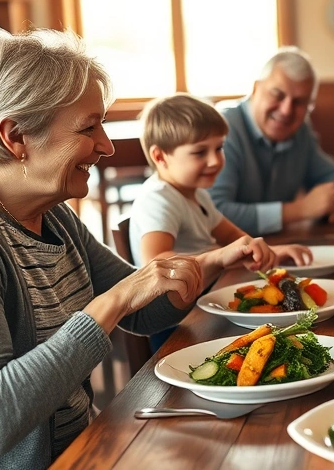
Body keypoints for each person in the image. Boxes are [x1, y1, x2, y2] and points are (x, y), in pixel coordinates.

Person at [0, 28, 276, 468]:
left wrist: (210, 263)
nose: (105, 145)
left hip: (90, 444)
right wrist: (114, 301)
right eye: (88, 127)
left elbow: (143, 311)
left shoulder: (53, 215)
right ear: (16, 136)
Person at [129, 94, 314, 350]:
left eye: (219, 147)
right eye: (199, 152)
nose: (215, 160)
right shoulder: (159, 199)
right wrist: (219, 256)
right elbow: (157, 262)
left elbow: (236, 240)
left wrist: (271, 251)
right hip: (176, 327)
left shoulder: (197, 194)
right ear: (160, 157)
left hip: (205, 306)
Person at [209, 47, 334, 236]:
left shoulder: (300, 131)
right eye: (278, 95)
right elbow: (213, 213)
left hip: (277, 250)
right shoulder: (222, 128)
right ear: (256, 89)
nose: (286, 111)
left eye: (299, 102)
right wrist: (301, 210)